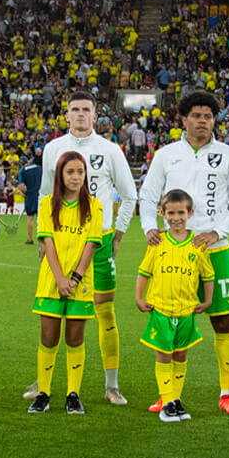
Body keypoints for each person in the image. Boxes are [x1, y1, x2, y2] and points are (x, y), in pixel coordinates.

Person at [138, 89, 229, 415]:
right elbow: (147, 197)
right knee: (169, 323)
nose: (203, 121)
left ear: (215, 120)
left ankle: (227, 393)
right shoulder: (166, 154)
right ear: (183, 119)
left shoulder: (228, 155)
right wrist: (149, 227)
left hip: (215, 250)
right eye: (197, 116)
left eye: (208, 116)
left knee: (223, 321)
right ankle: (168, 394)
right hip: (172, 252)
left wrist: (217, 232)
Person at [35, 90, 138, 406]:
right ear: (66, 115)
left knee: (104, 311)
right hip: (61, 239)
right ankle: (44, 382)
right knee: (51, 312)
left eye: (86, 109)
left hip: (100, 240)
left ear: (95, 116)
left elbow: (130, 194)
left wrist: (117, 236)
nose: (80, 114)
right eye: (75, 109)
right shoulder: (53, 148)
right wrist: (42, 239)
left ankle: (112, 384)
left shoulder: (109, 150)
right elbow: (44, 195)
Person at [29, 150, 104, 416]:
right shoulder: (48, 203)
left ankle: (73, 394)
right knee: (48, 339)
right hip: (51, 281)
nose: (76, 177)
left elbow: (91, 244)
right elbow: (47, 242)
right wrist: (60, 278)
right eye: (70, 171)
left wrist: (74, 278)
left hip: (80, 283)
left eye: (80, 172)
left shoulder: (94, 206)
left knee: (75, 339)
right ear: (60, 174)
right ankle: (43, 394)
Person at [134, 189, 215, 423]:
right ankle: (167, 401)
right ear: (162, 213)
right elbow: (143, 272)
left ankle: (175, 399)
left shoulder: (198, 245)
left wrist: (207, 301)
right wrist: (139, 298)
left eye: (181, 212)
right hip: (161, 309)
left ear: (190, 213)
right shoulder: (157, 242)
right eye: (171, 213)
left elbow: (207, 276)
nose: (176, 217)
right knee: (164, 355)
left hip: (187, 309)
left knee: (180, 355)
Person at [19, 156, 44, 245]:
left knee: (30, 218)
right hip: (41, 194)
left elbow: (21, 186)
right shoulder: (39, 168)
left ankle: (30, 239)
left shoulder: (23, 170)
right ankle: (44, 239)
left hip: (30, 196)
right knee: (42, 218)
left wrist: (24, 193)